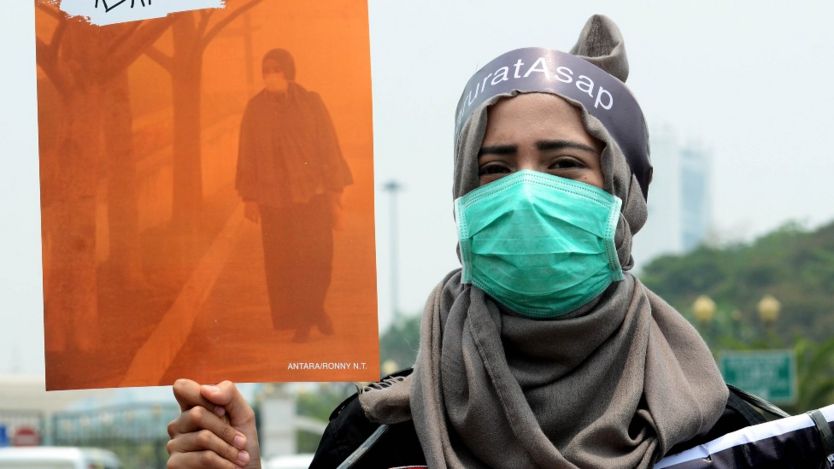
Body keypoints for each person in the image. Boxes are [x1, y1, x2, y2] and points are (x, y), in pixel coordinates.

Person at [166, 15, 734, 468]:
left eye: (564, 164)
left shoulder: (727, 436)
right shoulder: (375, 437)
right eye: (495, 169)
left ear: (623, 195)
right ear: (464, 196)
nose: (527, 194)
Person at [235, 48, 353, 343]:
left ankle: (315, 310)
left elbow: (328, 145)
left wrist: (334, 191)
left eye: (276, 68)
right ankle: (303, 321)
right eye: (266, 69)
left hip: (311, 196)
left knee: (318, 258)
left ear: (288, 71)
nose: (270, 75)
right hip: (275, 202)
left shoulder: (311, 103)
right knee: (286, 265)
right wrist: (249, 197)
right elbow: (246, 153)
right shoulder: (255, 109)